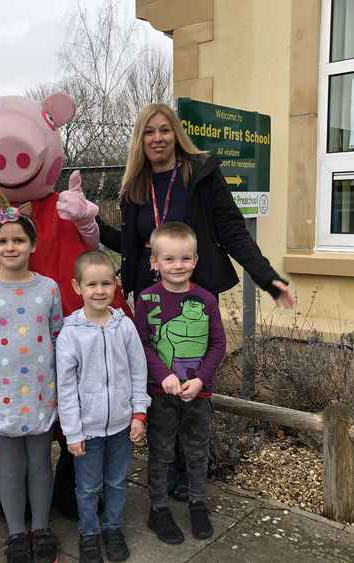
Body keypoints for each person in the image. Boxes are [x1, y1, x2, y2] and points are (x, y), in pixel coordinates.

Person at [98, 102, 295, 501]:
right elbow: (131, 247)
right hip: (152, 300)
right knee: (159, 387)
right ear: (141, 139)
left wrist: (268, 278)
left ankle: (193, 473)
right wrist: (93, 224)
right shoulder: (134, 187)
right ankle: (167, 469)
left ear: (176, 134)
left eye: (164, 130)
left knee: (195, 387)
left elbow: (232, 231)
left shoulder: (200, 175)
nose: (157, 138)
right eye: (149, 132)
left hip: (192, 298)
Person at [0, 210, 62, 563]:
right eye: (2, 241)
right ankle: (17, 532)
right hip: (0, 399)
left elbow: (57, 340)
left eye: (19, 240)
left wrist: (63, 393)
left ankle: (41, 528)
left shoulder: (49, 289)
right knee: (10, 467)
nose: (10, 246)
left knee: (40, 464)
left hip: (41, 395)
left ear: (33, 244)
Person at [56, 250, 150, 563]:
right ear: (76, 286)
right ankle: (90, 533)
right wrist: (72, 432)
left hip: (123, 425)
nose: (99, 290)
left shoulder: (124, 327)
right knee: (87, 486)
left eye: (106, 283)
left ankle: (112, 528)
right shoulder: (70, 334)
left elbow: (138, 371)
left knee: (117, 482)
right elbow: (66, 388)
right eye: (92, 284)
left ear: (115, 285)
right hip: (88, 429)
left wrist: (139, 413)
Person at [134, 222, 226, 544]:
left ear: (196, 260)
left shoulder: (206, 300)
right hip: (161, 394)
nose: (178, 266)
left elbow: (218, 345)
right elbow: (142, 344)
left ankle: (198, 502)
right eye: (169, 259)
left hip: (198, 394)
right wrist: (164, 375)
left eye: (185, 259)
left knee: (197, 451)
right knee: (160, 452)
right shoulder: (145, 299)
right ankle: (158, 508)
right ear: (154, 262)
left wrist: (201, 379)